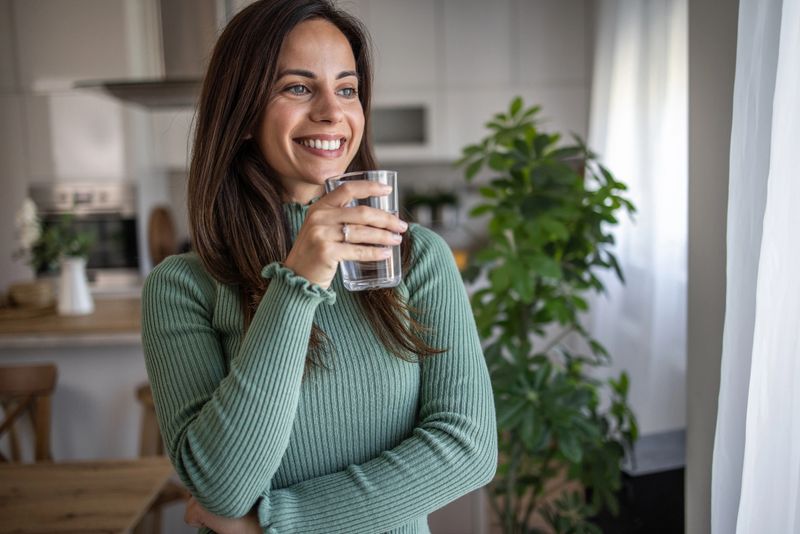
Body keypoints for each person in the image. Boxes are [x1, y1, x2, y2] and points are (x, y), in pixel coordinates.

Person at [140, 0, 497, 532]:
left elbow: (468, 447)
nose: (333, 111)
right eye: (298, 87)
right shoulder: (182, 287)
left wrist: (276, 524)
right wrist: (297, 283)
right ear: (241, 114)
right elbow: (220, 486)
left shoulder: (416, 257)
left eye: (347, 89)